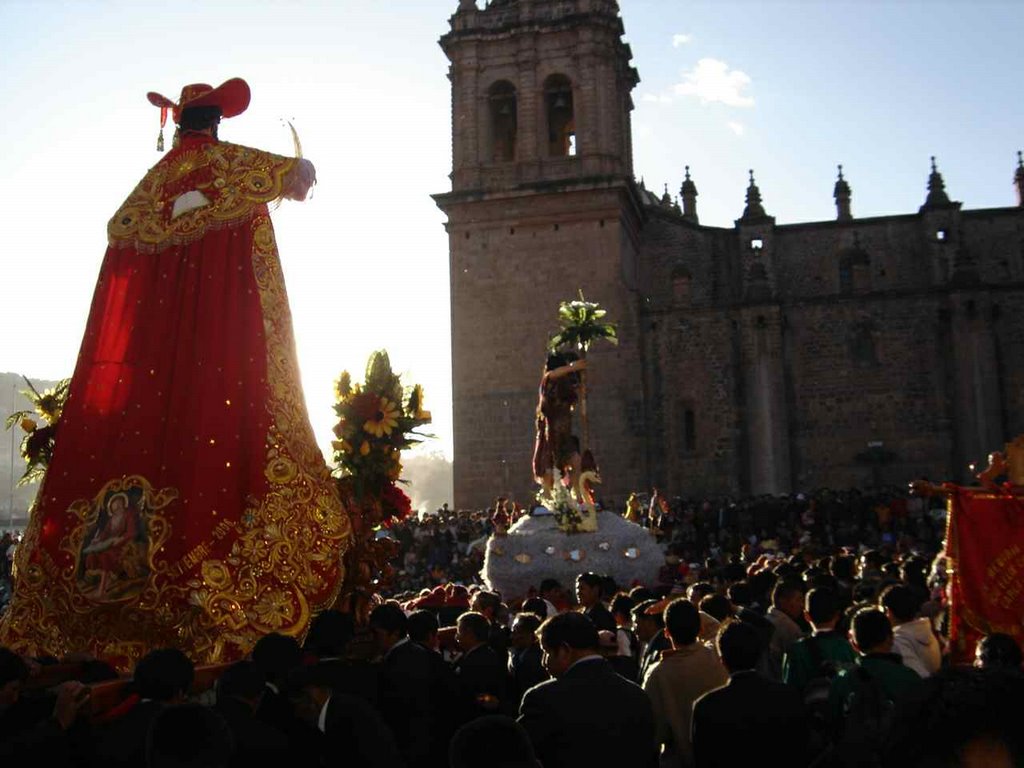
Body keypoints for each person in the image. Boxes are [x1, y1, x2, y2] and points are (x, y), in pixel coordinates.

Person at [0, 78, 350, 664]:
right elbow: (297, 174)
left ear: (180, 123)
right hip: (218, 351)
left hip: (153, 368)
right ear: (216, 123)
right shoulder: (228, 165)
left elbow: (121, 233)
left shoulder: (149, 189)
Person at [517, 612, 657, 768]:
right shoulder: (637, 696)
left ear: (564, 650)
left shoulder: (543, 699)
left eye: (547, 652)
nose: (544, 662)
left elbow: (519, 755)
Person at [642, 598, 727, 768]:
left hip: (679, 759)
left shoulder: (658, 673)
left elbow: (653, 730)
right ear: (700, 628)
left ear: (666, 633)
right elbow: (716, 628)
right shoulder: (715, 655)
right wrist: (684, 610)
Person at [532, 353, 586, 492]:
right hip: (550, 433)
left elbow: (575, 397)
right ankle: (548, 501)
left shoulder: (565, 386)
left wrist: (581, 385)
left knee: (576, 461)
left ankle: (577, 495)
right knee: (548, 471)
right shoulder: (548, 381)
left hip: (564, 433)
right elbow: (551, 375)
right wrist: (572, 367)